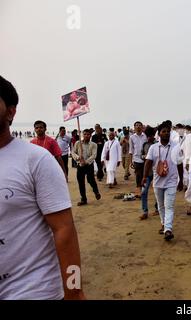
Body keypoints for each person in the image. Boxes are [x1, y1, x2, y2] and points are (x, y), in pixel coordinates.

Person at [0, 75, 85, 299]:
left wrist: (74, 291)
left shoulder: (35, 159)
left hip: (31, 290)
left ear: (10, 112)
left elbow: (64, 230)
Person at [142, 123, 183, 241]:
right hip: (158, 181)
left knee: (169, 206)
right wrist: (144, 176)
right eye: (163, 131)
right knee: (161, 206)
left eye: (168, 131)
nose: (166, 133)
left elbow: (180, 164)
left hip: (171, 181)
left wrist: (180, 180)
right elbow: (148, 162)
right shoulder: (153, 148)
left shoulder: (176, 146)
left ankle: (168, 229)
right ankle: (164, 224)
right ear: (159, 133)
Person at [72, 129, 102, 206]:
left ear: (90, 135)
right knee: (81, 183)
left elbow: (94, 155)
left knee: (91, 180)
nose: (86, 136)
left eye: (88, 134)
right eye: (85, 134)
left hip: (89, 165)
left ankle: (96, 192)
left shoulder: (93, 145)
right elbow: (73, 152)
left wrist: (86, 162)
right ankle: (83, 199)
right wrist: (78, 158)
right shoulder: (78, 143)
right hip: (80, 166)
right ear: (82, 135)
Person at [139, 126, 158, 220]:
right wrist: (145, 157)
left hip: (157, 172)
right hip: (147, 173)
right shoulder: (145, 144)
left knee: (157, 192)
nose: (149, 137)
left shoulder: (158, 144)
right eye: (147, 136)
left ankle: (157, 208)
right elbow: (141, 155)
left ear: (154, 135)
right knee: (143, 192)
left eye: (150, 136)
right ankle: (145, 211)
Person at [130, 121, 147, 197]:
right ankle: (138, 191)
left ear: (142, 127)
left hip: (145, 159)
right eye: (136, 125)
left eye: (140, 125)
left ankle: (143, 190)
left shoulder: (145, 136)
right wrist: (131, 161)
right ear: (134, 127)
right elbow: (131, 150)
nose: (138, 126)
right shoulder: (132, 137)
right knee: (138, 175)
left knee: (144, 175)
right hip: (136, 159)